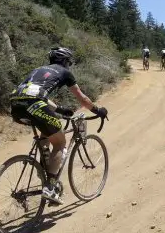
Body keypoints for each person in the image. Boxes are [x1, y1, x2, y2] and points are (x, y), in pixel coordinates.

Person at [9, 47, 108, 205]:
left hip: (15, 104)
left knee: (46, 136)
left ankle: (44, 174)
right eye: (69, 62)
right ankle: (50, 188)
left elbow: (34, 93)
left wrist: (59, 109)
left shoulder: (38, 70)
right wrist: (97, 110)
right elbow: (82, 99)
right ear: (65, 61)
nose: (69, 65)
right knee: (60, 143)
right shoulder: (65, 72)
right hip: (35, 104)